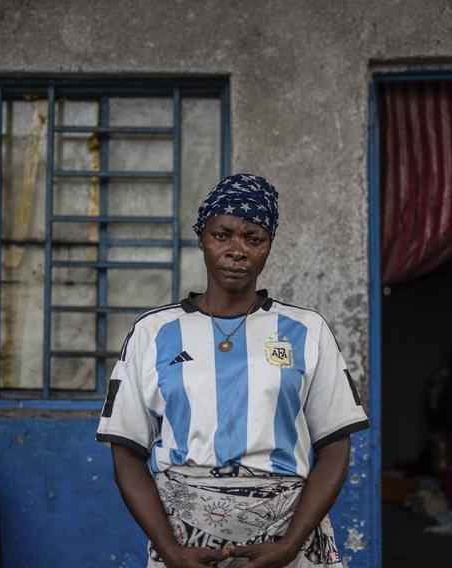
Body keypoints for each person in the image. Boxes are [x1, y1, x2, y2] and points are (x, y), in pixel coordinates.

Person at [96, 173, 369, 567]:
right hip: (184, 547)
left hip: (284, 544)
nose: (236, 250)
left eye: (253, 238)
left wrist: (290, 545)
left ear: (268, 247)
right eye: (222, 235)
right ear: (202, 239)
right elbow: (126, 451)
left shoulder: (306, 331)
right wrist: (171, 551)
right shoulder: (153, 333)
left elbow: (335, 446)